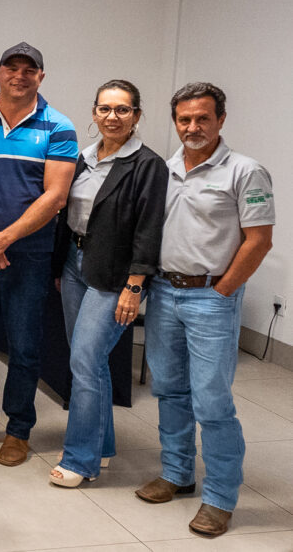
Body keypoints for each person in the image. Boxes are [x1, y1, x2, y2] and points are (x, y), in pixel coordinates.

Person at [136, 82, 274, 538]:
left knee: (212, 401)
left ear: (221, 120)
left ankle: (219, 497)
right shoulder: (165, 168)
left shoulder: (245, 171)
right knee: (169, 390)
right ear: (175, 122)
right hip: (164, 292)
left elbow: (259, 241)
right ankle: (176, 474)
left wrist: (223, 291)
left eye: (203, 118)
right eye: (184, 119)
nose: (193, 127)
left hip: (211, 298)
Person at [0, 42, 77, 467]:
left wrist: (4, 240)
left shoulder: (59, 127)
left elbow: (55, 196)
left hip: (30, 256)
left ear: (41, 76)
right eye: (11, 67)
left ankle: (19, 428)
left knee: (25, 346)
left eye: (29, 69)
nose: (19, 76)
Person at [47, 80, 167, 489]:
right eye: (105, 109)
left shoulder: (148, 165)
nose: (112, 117)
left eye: (122, 109)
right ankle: (102, 446)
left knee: (85, 360)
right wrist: (61, 266)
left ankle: (80, 459)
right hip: (75, 264)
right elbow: (66, 216)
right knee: (89, 361)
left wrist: (135, 286)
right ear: (94, 113)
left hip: (116, 275)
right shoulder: (82, 159)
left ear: (136, 115)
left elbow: (149, 229)